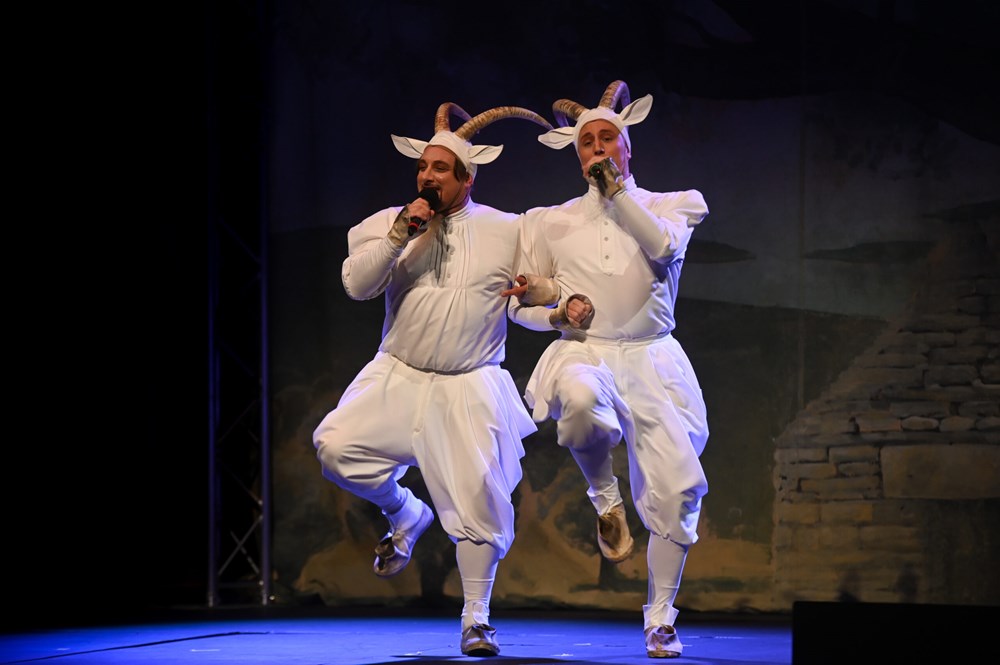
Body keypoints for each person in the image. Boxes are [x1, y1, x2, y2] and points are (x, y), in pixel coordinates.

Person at [312, 102, 552, 657]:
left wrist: (546, 298)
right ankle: (405, 511)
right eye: (423, 167)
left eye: (441, 168)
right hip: (398, 373)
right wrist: (401, 232)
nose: (427, 176)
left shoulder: (507, 229)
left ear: (468, 177)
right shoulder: (394, 222)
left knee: (479, 504)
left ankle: (476, 619)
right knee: (335, 447)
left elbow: (533, 296)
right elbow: (357, 285)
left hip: (467, 384)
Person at [504, 80, 710, 659]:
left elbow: (663, 249)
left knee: (677, 491)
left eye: (607, 138)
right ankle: (605, 500)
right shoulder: (549, 222)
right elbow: (520, 305)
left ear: (626, 146)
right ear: (576, 155)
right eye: (587, 142)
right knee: (576, 403)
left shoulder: (673, 204)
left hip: (652, 358)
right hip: (585, 349)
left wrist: (617, 193)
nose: (597, 148)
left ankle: (660, 616)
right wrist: (555, 312)